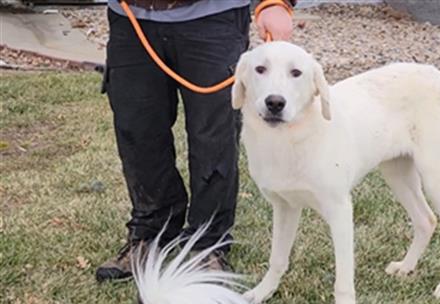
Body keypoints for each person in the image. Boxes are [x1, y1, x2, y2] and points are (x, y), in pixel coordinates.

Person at [96, 0, 296, 282]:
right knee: (138, 130)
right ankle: (152, 232)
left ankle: (208, 244)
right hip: (131, 19)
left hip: (213, 18)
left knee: (213, 137)